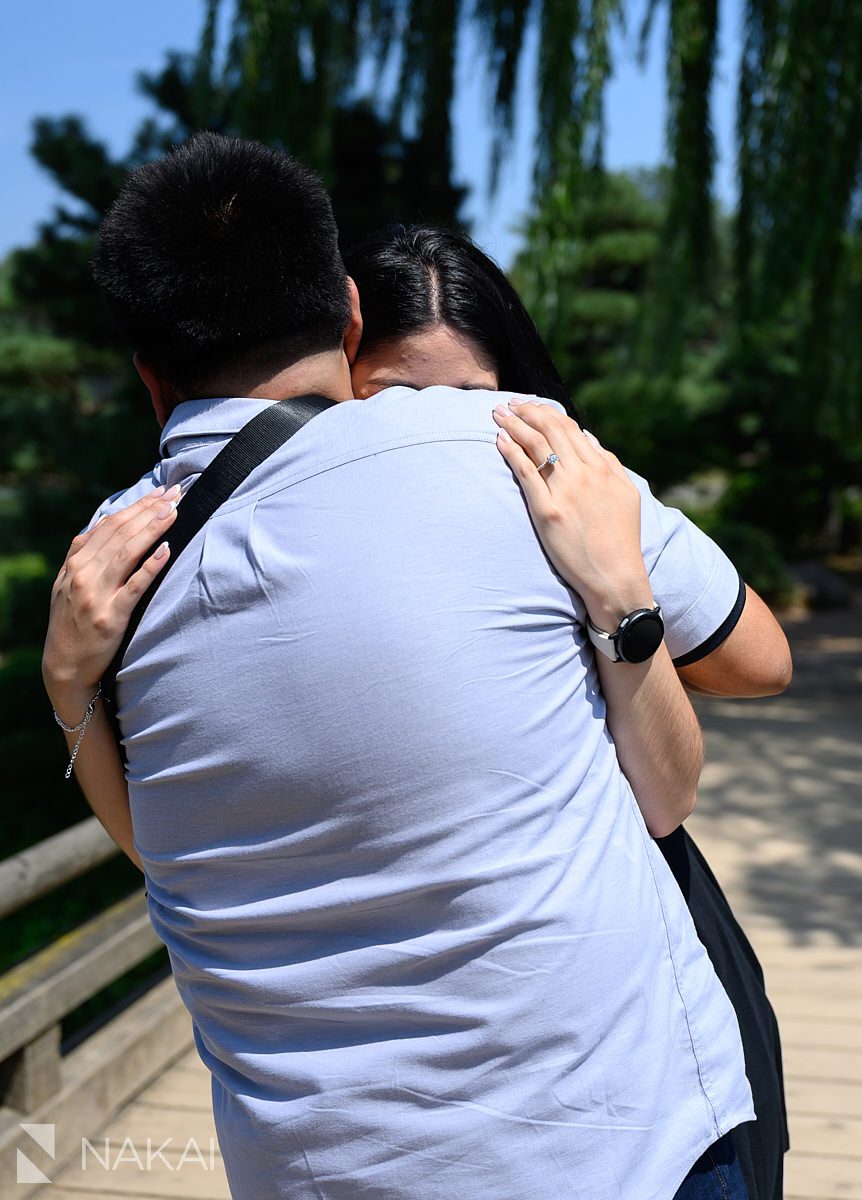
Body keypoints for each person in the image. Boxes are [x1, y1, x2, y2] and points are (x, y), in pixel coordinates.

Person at [43, 132, 771, 1199]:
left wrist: (69, 690)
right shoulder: (513, 451)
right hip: (621, 1141)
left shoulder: (108, 569)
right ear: (348, 312)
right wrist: (619, 599)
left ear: (150, 377)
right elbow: (736, 691)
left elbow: (168, 860)